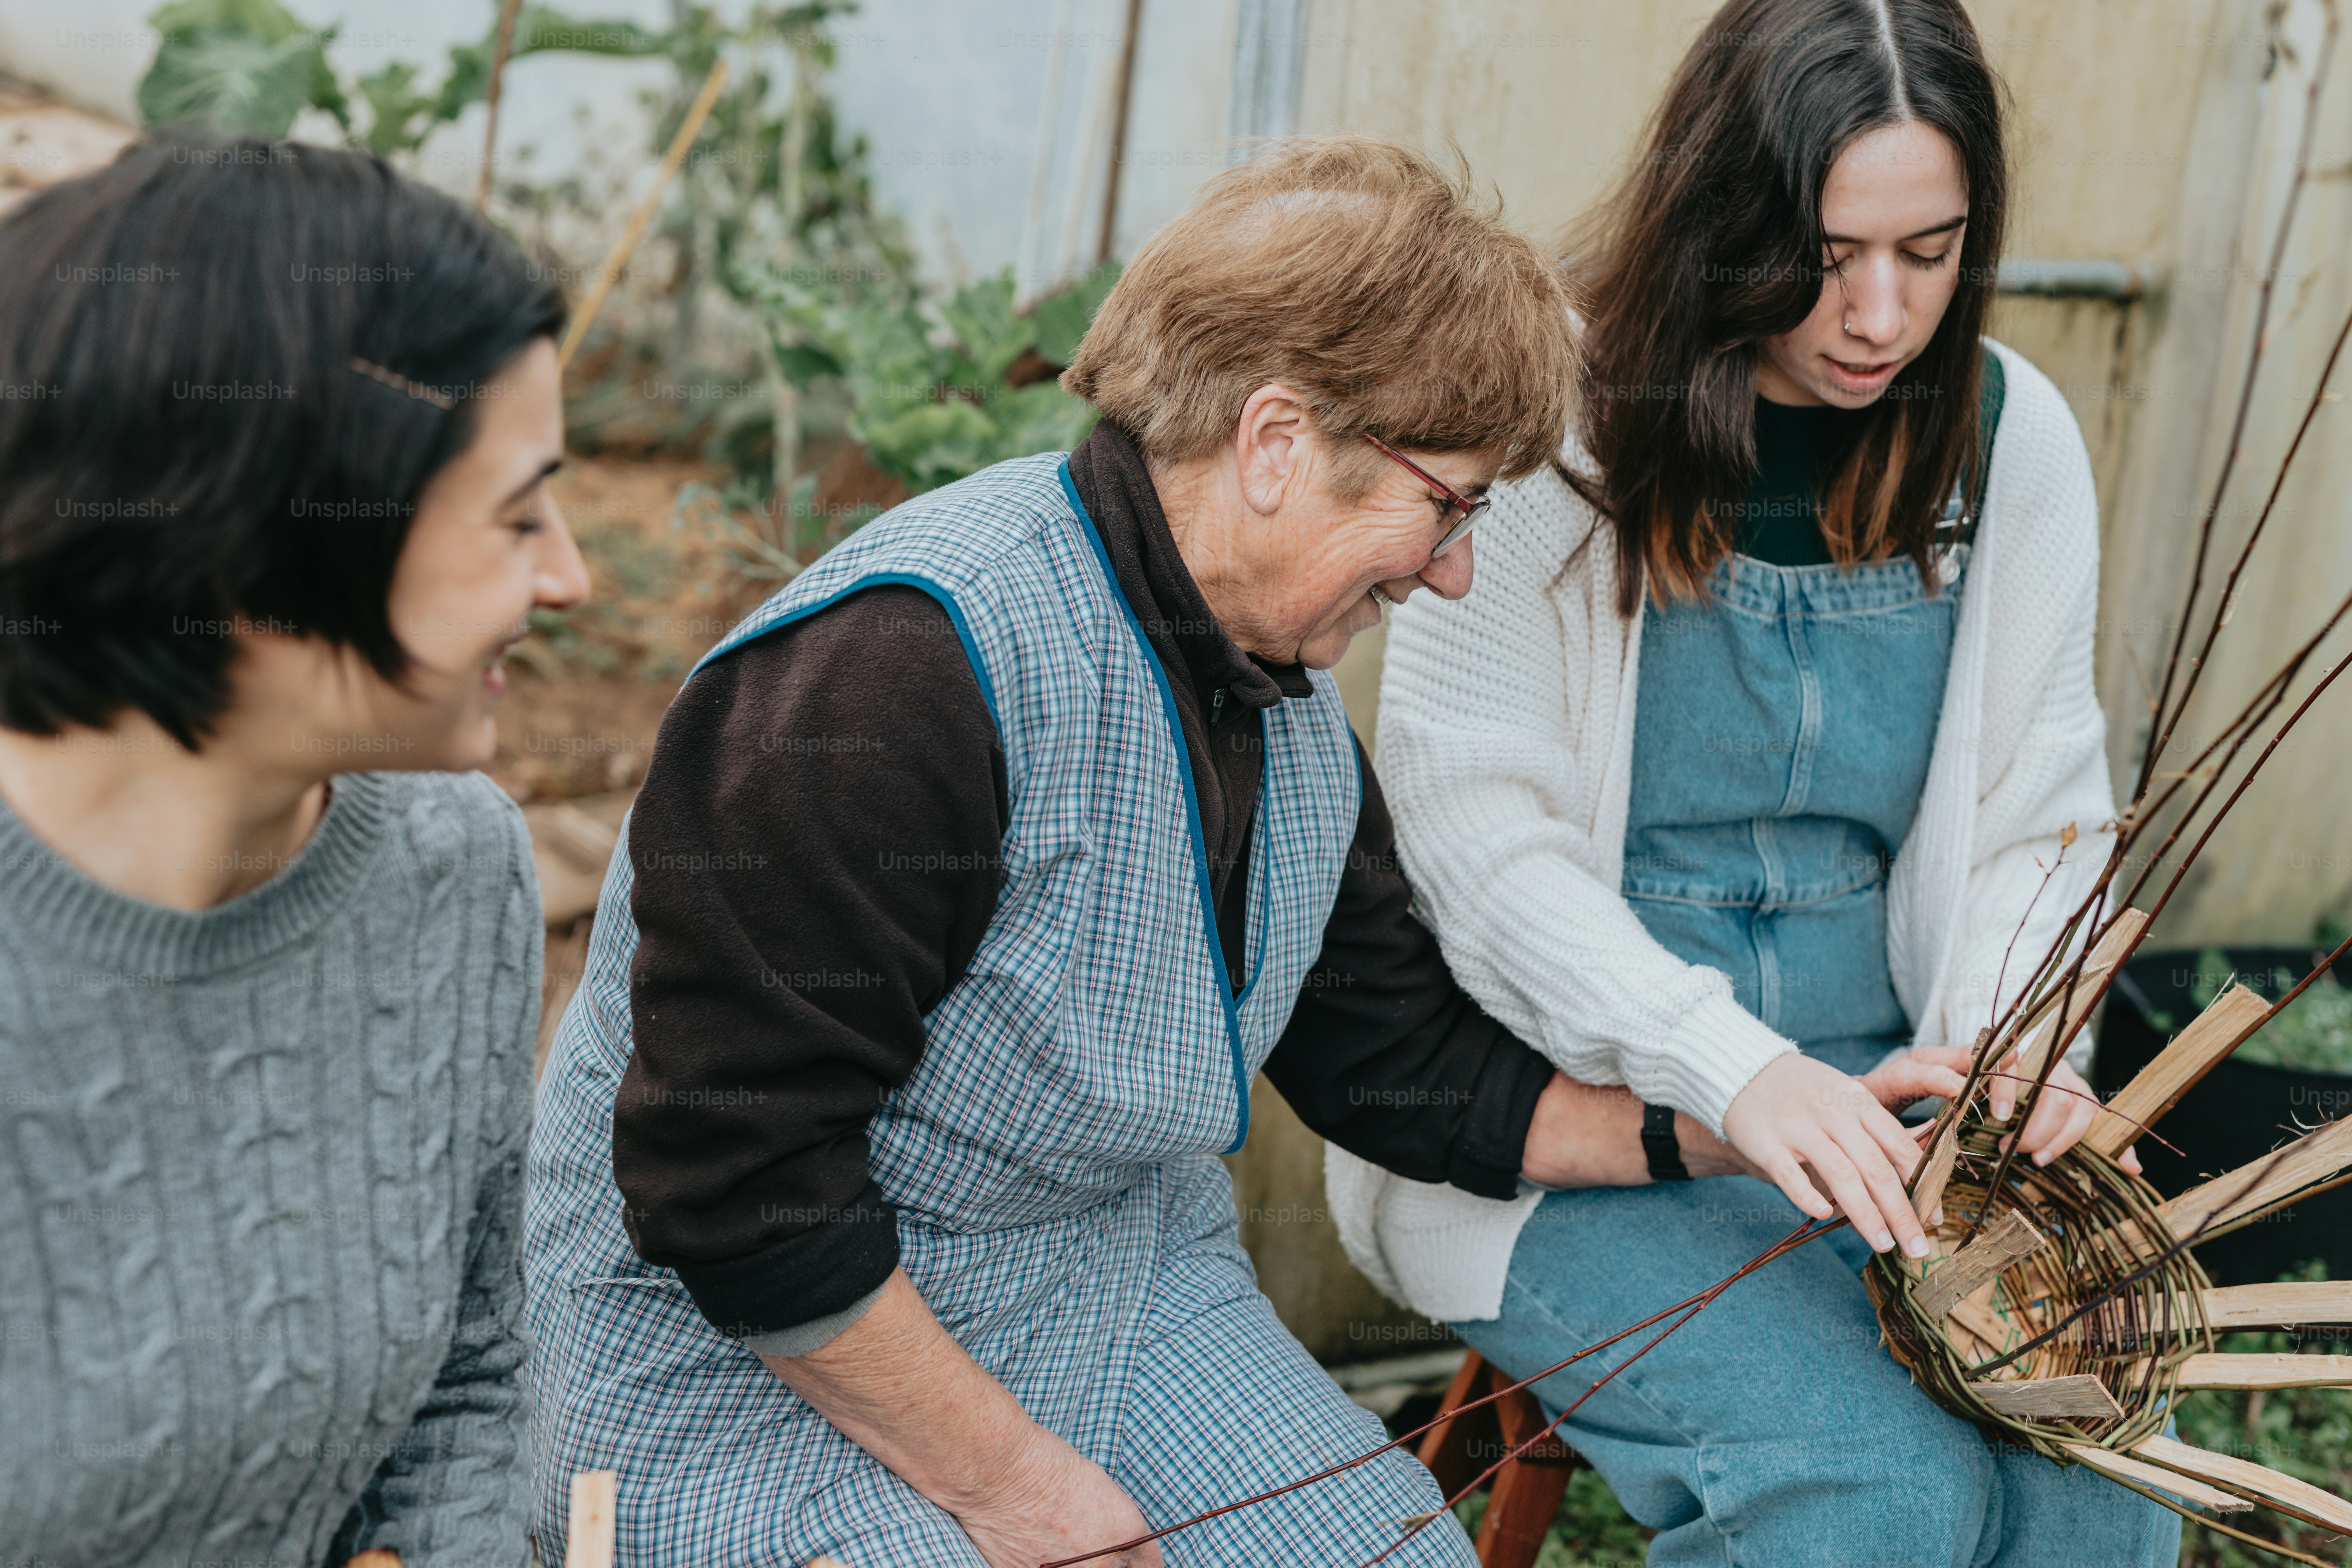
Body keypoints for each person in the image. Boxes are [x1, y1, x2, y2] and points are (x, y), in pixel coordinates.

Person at [522, 135, 1979, 1568]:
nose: (1456, 568)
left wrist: (1730, 1123)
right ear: (1277, 442)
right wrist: (1024, 1490)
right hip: (767, 1350)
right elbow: (738, 1183)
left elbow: (1399, 1063)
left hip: (1113, 1288)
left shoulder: (1272, 696)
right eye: (1450, 503)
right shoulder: (897, 674)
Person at [1328, 2, 2178, 1564]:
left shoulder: (2011, 439)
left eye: (1929, 253)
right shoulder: (1559, 426)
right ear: (1726, 218)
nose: (1878, 314)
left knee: (2091, 1479)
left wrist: (1994, 1057)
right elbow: (1473, 842)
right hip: (1582, 1126)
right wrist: (1727, 1066)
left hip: (1897, 1104)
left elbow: (2040, 818)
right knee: (1872, 1489)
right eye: (1825, 254)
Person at [0, 138, 588, 1567]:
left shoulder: (453, 865)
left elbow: (472, 1364)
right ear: (256, 553)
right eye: (517, 518)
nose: (571, 576)